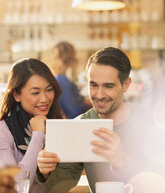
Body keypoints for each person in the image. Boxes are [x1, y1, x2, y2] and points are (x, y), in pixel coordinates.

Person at [36, 47, 151, 193]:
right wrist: (45, 171)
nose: (99, 94)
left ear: (126, 85)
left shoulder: (148, 122)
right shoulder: (81, 125)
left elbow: (158, 180)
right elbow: (61, 185)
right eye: (93, 85)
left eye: (108, 86)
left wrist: (121, 162)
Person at [0, 58, 62, 193]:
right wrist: (38, 135)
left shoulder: (57, 122)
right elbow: (16, 185)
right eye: (35, 92)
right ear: (16, 94)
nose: (45, 98)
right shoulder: (3, 130)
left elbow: (65, 179)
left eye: (49, 89)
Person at [52, 41, 90, 118]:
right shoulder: (62, 80)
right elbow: (73, 112)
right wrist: (88, 104)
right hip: (70, 124)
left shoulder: (61, 79)